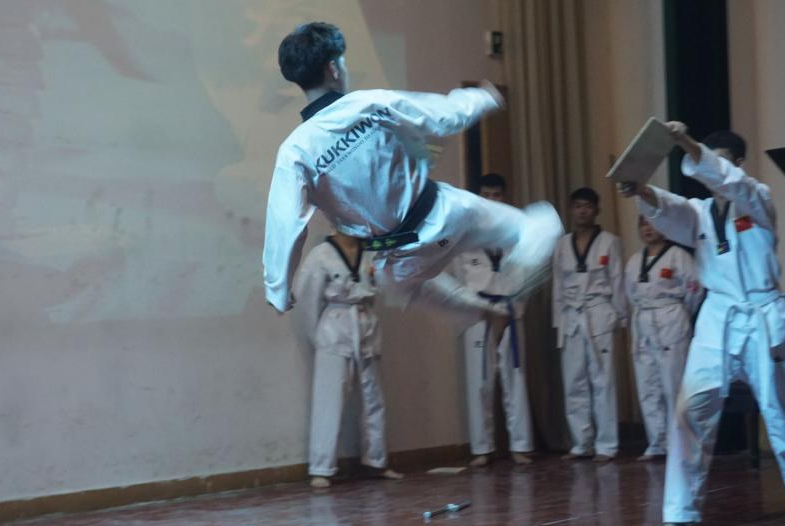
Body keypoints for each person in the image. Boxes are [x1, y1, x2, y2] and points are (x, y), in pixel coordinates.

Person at [616, 121, 785, 526]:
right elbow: (669, 210)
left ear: (739, 164)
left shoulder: (758, 199)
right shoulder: (701, 213)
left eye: (720, 164)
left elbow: (730, 183)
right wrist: (641, 191)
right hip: (717, 317)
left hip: (762, 316)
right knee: (689, 411)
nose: (713, 174)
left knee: (784, 412)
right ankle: (679, 511)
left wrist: (685, 142)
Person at [263, 22, 560, 330]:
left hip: (400, 259)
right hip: (447, 216)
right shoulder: (370, 104)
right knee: (541, 223)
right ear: (333, 68)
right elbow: (445, 115)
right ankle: (515, 279)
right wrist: (485, 97)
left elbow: (285, 225)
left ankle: (482, 311)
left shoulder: (295, 151)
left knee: (404, 289)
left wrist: (278, 291)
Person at [293, 233, 402, 488]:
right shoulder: (321, 255)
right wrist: (318, 335)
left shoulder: (371, 251)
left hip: (366, 323)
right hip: (334, 326)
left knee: (374, 398)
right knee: (329, 399)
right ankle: (321, 467)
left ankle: (376, 460)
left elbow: (385, 284)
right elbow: (307, 300)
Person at [451, 174, 534, 467]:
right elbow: (458, 282)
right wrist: (478, 308)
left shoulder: (516, 233)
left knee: (515, 379)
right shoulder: (463, 237)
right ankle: (482, 448)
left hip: (509, 308)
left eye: (497, 195)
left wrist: (515, 309)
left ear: (504, 197)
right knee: (479, 381)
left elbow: (526, 275)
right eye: (487, 194)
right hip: (478, 311)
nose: (492, 200)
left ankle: (520, 445)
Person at [552, 187, 627, 462]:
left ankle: (607, 445)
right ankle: (581, 443)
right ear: (571, 210)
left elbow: (617, 281)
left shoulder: (610, 242)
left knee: (602, 380)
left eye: (587, 206)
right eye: (577, 206)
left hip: (599, 313)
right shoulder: (562, 245)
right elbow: (558, 285)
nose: (582, 211)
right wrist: (558, 322)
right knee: (574, 381)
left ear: (597, 210)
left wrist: (621, 318)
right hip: (571, 315)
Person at [624, 215, 702, 461]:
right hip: (643, 320)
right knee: (648, 385)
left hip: (671, 317)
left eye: (653, 223)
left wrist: (679, 313)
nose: (648, 229)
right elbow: (630, 293)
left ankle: (680, 443)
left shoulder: (679, 256)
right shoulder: (634, 261)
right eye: (643, 224)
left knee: (673, 384)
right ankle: (657, 442)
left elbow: (694, 289)